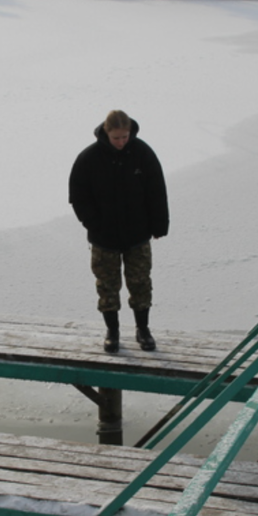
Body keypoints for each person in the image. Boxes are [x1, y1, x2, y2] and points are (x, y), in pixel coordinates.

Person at [69, 110, 169, 353]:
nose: (122, 142)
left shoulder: (142, 153)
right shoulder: (89, 158)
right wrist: (93, 223)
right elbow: (78, 196)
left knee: (141, 283)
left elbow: (156, 190)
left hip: (138, 235)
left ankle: (142, 329)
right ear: (106, 133)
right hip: (104, 238)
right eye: (116, 138)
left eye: (125, 137)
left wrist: (159, 225)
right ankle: (112, 331)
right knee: (107, 286)